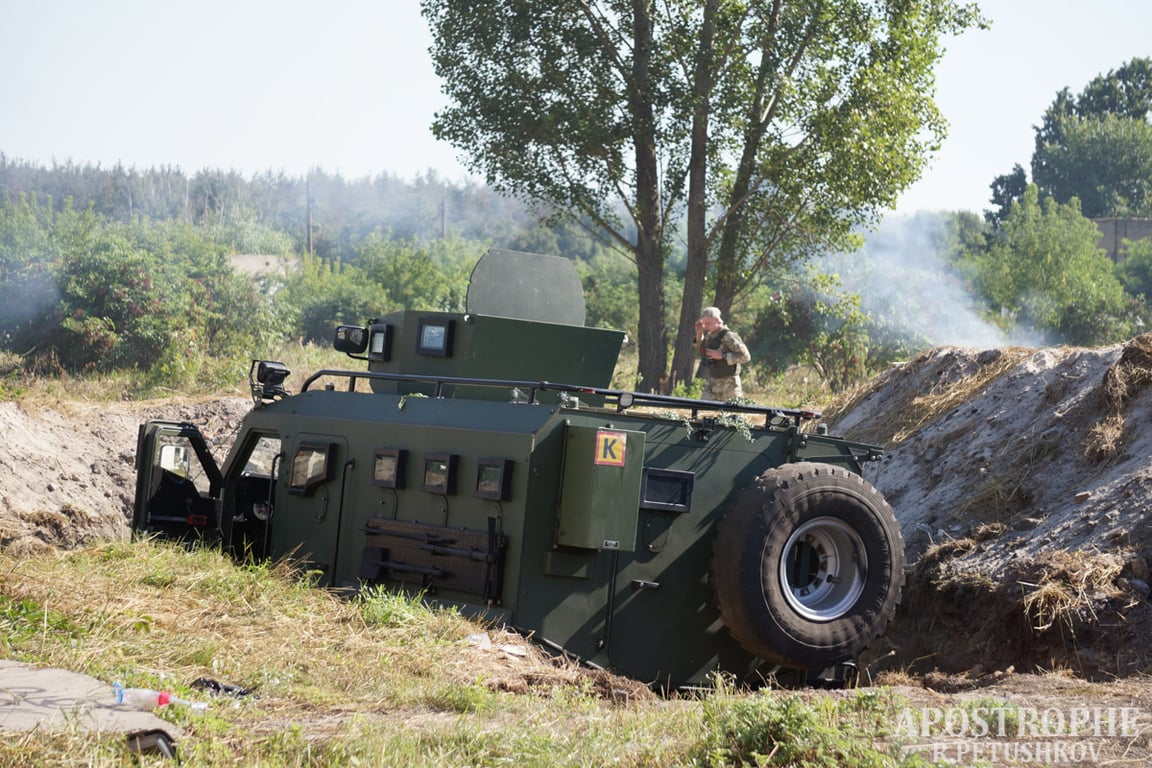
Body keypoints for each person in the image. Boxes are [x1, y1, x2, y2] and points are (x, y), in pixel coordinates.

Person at [694, 306, 751, 401]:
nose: (705, 326)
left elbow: (746, 357)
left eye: (708, 323)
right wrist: (699, 333)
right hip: (713, 383)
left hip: (729, 385)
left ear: (717, 320)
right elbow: (700, 349)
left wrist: (723, 356)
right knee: (702, 410)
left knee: (732, 414)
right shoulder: (710, 336)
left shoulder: (729, 336)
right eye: (704, 324)